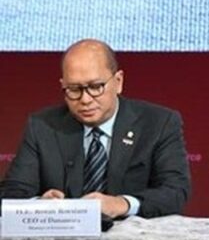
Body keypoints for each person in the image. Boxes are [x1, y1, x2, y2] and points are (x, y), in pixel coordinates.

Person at [1, 39, 191, 218]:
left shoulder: (159, 123)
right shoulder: (42, 126)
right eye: (74, 89)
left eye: (95, 87)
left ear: (118, 81)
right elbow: (11, 193)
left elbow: (175, 191)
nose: (85, 99)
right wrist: (39, 204)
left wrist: (121, 204)